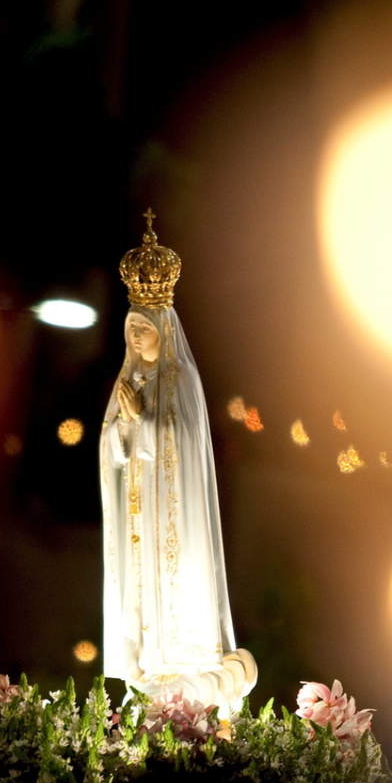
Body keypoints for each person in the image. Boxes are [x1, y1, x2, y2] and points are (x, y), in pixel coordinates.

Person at [99, 210, 256, 714]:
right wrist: (124, 426)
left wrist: (141, 421)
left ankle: (186, 671)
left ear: (162, 330)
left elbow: (183, 440)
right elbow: (111, 447)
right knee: (142, 592)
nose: (136, 337)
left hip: (173, 509)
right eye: (131, 328)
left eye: (143, 329)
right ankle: (149, 666)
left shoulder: (180, 379)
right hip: (139, 510)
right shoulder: (129, 380)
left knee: (174, 587)